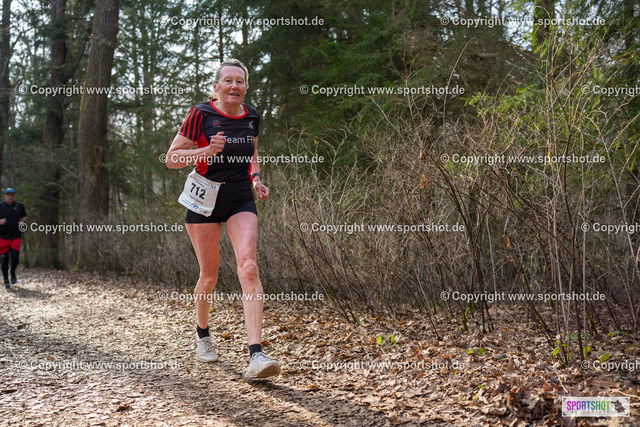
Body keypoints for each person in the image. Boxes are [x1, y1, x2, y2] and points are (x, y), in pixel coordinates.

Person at [166, 59, 280, 379]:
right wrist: (204, 152)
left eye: (239, 81)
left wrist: (256, 178)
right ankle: (203, 334)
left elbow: (252, 150)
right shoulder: (200, 114)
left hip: (239, 196)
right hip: (203, 198)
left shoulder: (252, 116)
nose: (234, 86)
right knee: (209, 276)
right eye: (227, 80)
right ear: (215, 87)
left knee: (249, 266)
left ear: (245, 87)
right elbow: (172, 159)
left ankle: (256, 354)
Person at [0, 188, 27, 289]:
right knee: (4, 259)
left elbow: (24, 216)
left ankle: (12, 271)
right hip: (3, 237)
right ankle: (6, 280)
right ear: (5, 196)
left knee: (15, 258)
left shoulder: (19, 206)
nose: (10, 197)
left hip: (16, 236)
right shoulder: (0, 206)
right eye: (8, 195)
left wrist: (22, 222)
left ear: (14, 196)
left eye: (12, 195)